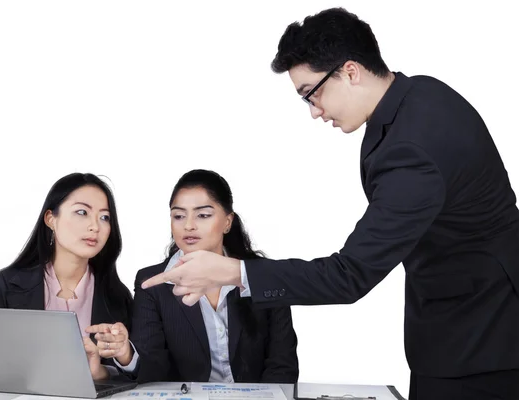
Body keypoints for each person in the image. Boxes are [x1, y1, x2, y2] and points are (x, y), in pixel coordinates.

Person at [142, 8, 519, 400]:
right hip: (472, 320)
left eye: (312, 93)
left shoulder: (411, 150)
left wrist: (236, 272)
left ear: (351, 71)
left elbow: (350, 273)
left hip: (480, 340)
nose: (315, 112)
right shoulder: (420, 94)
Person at [92, 169, 298, 383]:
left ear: (227, 222)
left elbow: (282, 365)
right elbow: (154, 369)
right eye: (178, 216)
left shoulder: (260, 275)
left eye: (203, 215)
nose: (188, 225)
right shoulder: (153, 282)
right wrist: (126, 354)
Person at [0, 173, 133, 381]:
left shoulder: (117, 296)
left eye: (105, 217)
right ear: (51, 219)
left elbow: (139, 375)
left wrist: (100, 372)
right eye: (82, 212)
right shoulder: (6, 286)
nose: (95, 226)